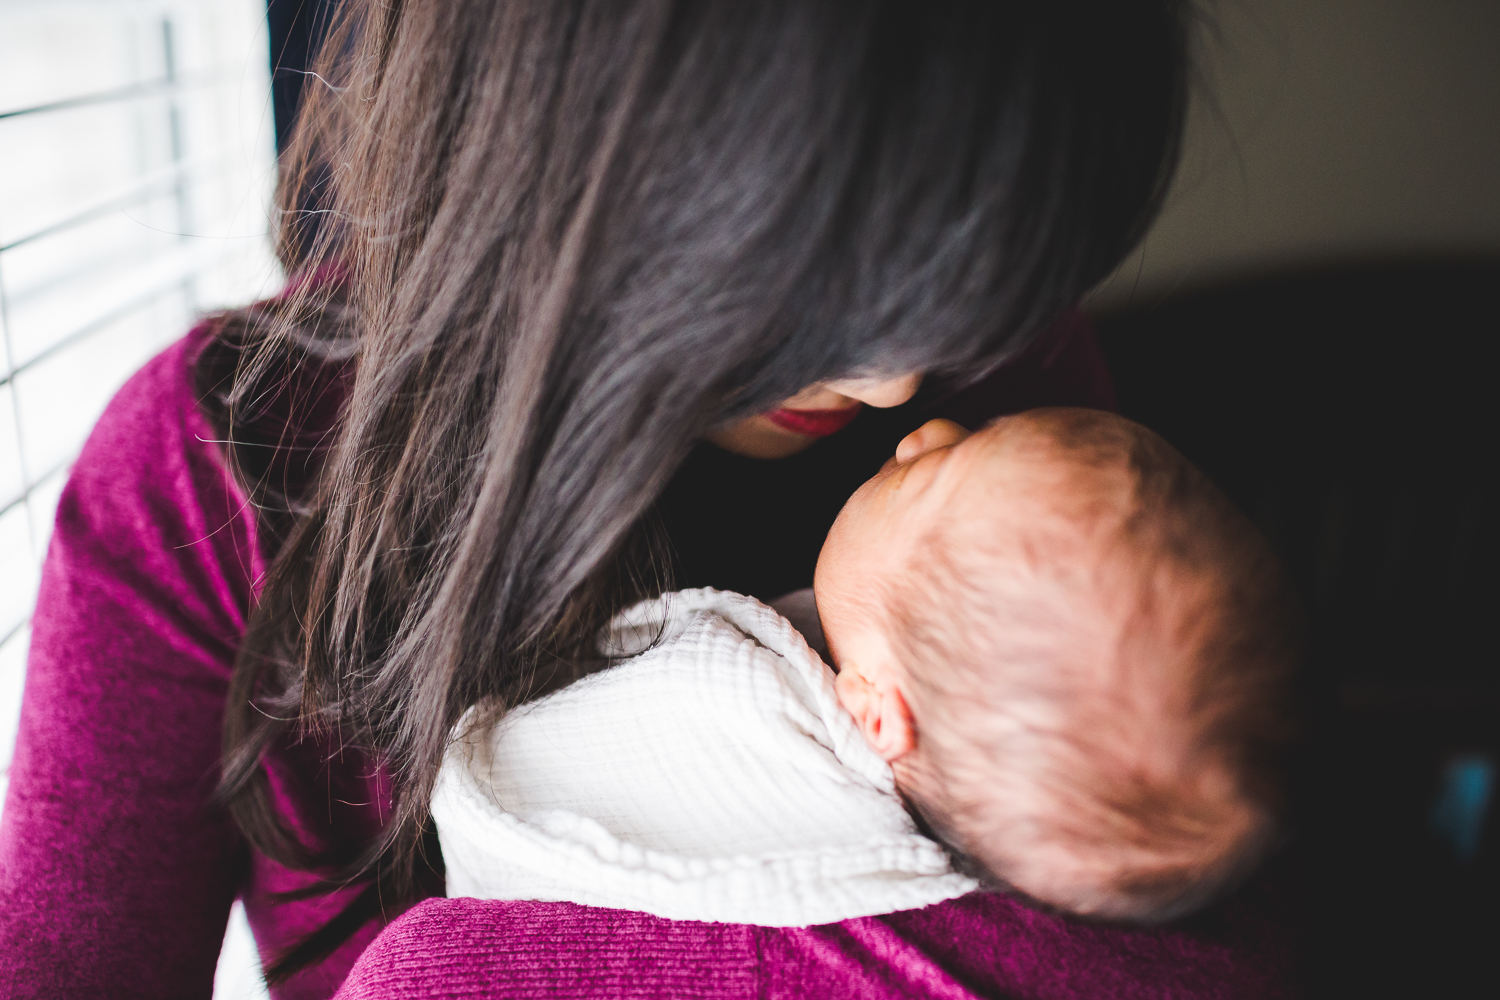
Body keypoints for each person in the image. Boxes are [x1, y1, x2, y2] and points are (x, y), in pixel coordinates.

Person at [0, 2, 1297, 998]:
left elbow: (1187, 895)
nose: (900, 380)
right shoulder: (207, 480)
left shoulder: (981, 393)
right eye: (826, 276)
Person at [433, 410, 1293, 929]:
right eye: (979, 436)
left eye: (933, 473)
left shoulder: (748, 730)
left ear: (876, 713)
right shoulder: (953, 733)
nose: (923, 431)